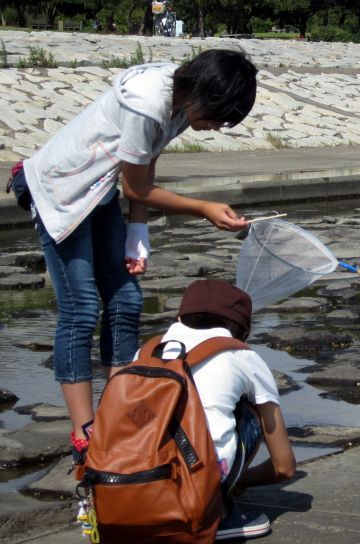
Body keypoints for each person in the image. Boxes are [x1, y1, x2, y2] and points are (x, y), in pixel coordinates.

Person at [16, 49, 258, 466]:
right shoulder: (149, 104)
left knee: (126, 300)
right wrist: (203, 207)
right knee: (81, 306)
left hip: (99, 191)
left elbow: (146, 166)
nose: (216, 127)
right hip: (60, 190)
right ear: (202, 92)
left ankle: (117, 410)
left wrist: (137, 231)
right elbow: (139, 188)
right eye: (218, 117)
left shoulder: (181, 99)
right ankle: (84, 431)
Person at [157, 279, 296, 540]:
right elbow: (284, 467)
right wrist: (243, 481)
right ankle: (219, 507)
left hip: (132, 482)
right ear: (242, 331)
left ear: (179, 316)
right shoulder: (242, 356)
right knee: (251, 411)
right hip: (196, 490)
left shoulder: (146, 352)